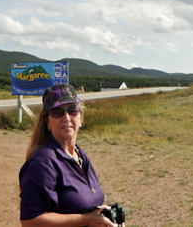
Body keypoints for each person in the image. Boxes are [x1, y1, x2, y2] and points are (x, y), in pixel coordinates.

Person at [19, 83, 121, 227]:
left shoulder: (79, 154)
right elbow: (30, 221)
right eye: (57, 112)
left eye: (72, 110)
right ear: (47, 121)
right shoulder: (42, 163)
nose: (66, 117)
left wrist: (104, 214)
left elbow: (84, 201)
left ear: (80, 117)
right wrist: (85, 219)